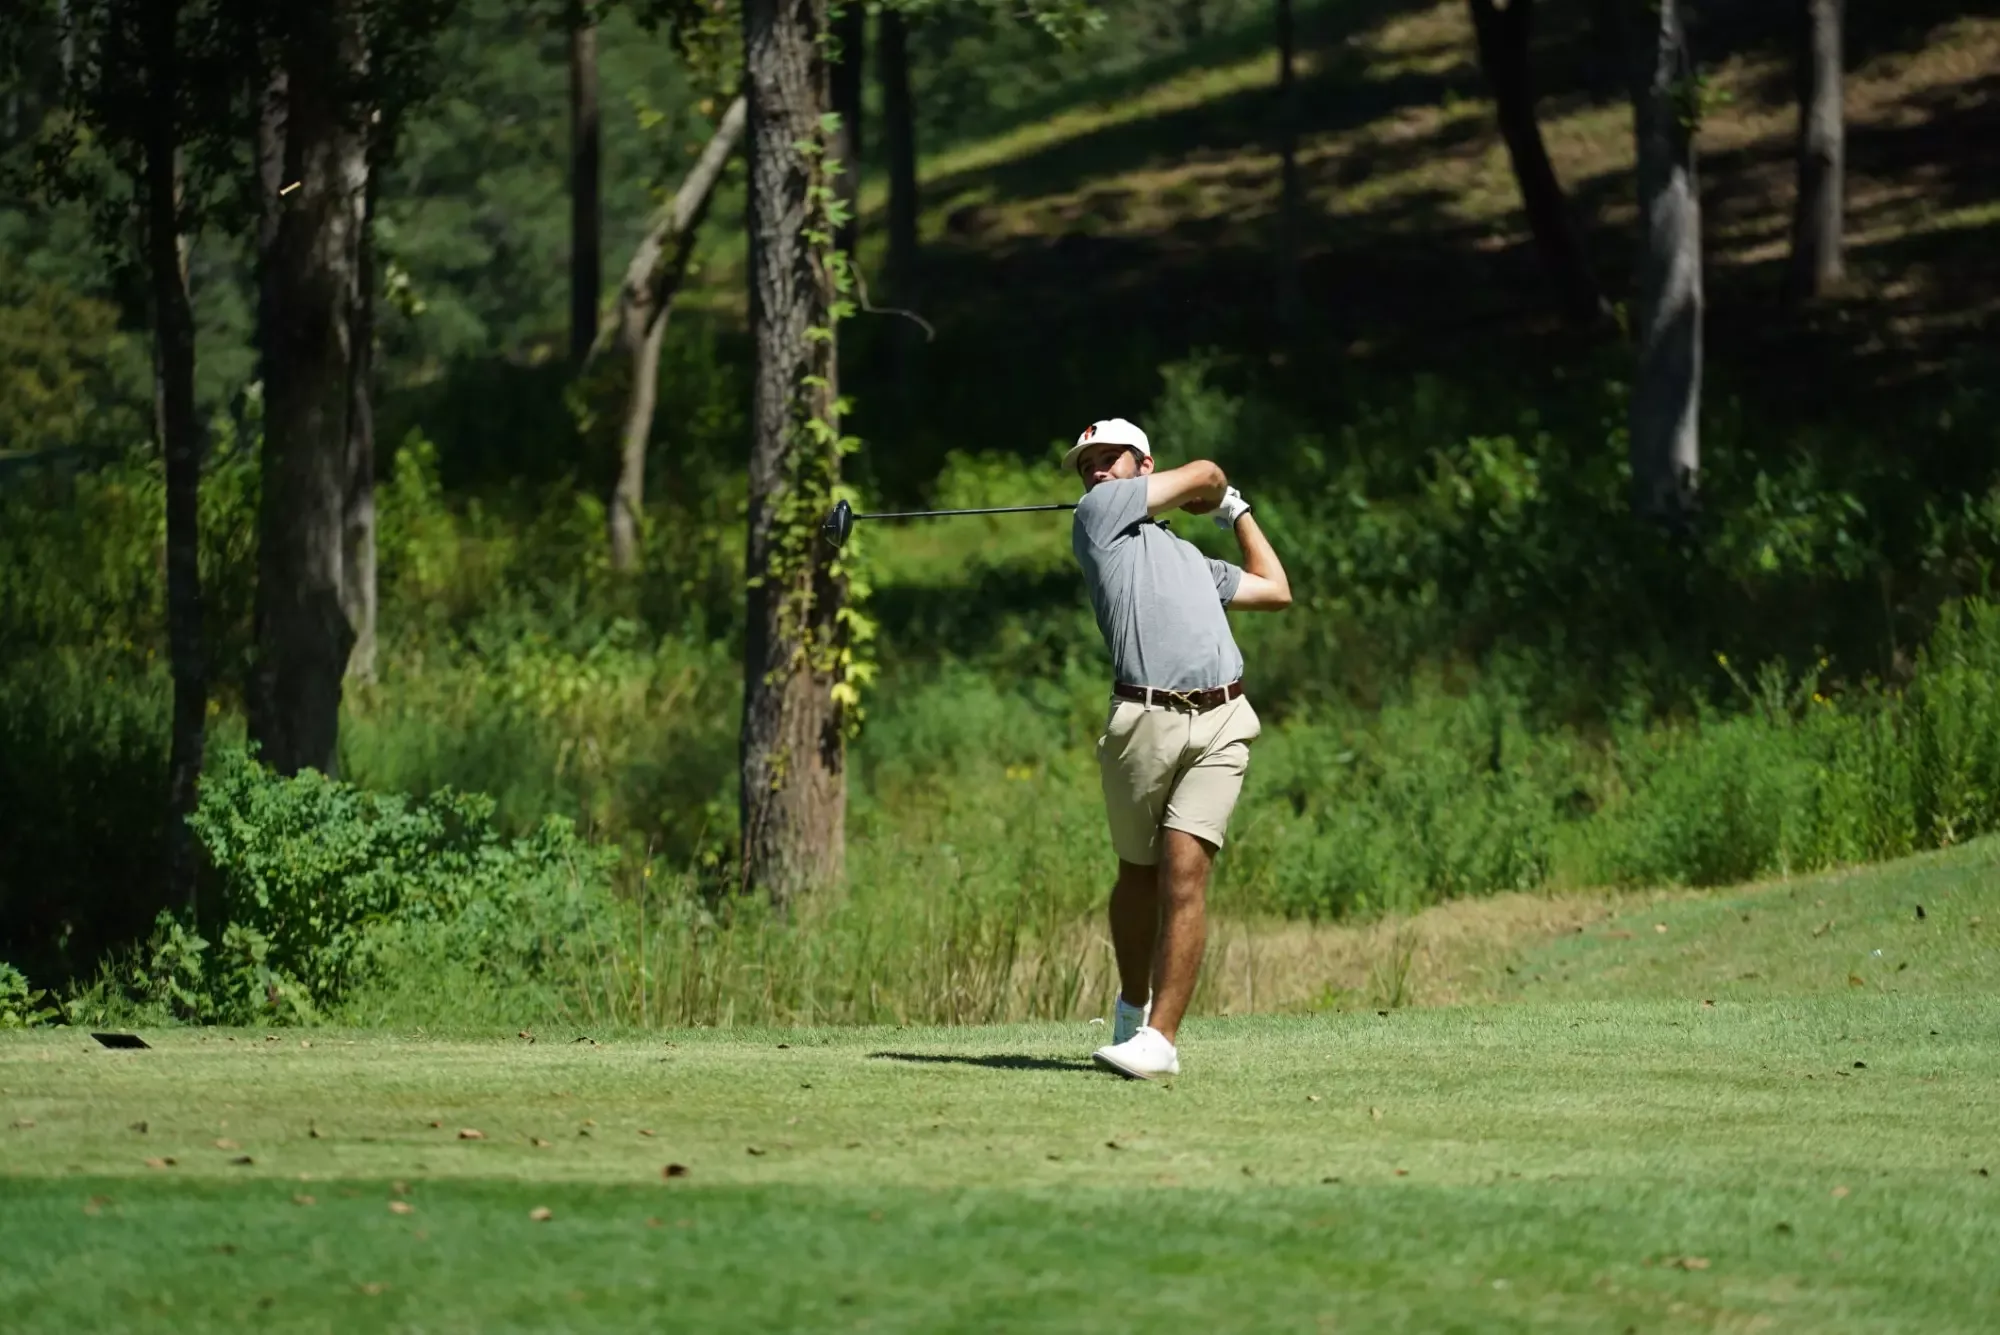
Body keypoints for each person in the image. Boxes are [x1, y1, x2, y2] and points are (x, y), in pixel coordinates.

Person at [1067, 417, 1291, 1080]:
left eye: (1109, 458)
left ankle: (1160, 1040)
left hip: (1222, 719)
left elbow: (1275, 588)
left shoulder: (1189, 559)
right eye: (1086, 464)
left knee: (1185, 874)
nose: (1096, 470)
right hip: (1143, 721)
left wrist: (1235, 512)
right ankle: (1131, 1005)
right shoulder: (1097, 517)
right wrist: (1212, 491)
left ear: (1144, 463)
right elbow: (1206, 471)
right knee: (1138, 874)